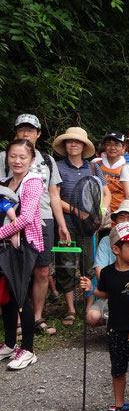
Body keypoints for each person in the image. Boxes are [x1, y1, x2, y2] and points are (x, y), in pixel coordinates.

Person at [0, 114, 70, 337]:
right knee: (15, 270)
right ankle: (19, 318)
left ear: (38, 134)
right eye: (22, 129)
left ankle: (37, 316)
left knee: (41, 270)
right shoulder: (5, 157)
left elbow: (54, 194)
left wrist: (61, 224)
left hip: (44, 219)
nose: (26, 133)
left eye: (31, 129)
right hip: (12, 220)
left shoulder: (47, 160)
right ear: (15, 132)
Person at [80, 222, 129, 411]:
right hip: (115, 328)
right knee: (117, 369)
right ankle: (119, 405)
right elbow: (107, 294)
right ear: (116, 250)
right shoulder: (108, 273)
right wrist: (91, 289)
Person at [54, 127, 110, 326]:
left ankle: (88, 305)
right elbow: (55, 198)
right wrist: (79, 213)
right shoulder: (58, 167)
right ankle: (70, 309)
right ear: (65, 145)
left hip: (90, 228)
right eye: (70, 141)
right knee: (66, 265)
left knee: (88, 265)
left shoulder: (93, 168)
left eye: (78, 142)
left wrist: (100, 214)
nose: (74, 144)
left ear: (84, 146)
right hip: (67, 225)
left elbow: (106, 193)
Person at [0, 139, 44, 369]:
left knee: (19, 296)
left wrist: (0, 233)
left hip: (25, 244)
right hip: (5, 246)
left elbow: (26, 218)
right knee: (6, 296)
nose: (17, 161)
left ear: (32, 160)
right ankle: (9, 344)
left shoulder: (33, 182)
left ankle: (28, 349)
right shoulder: (5, 182)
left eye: (23, 157)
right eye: (13, 156)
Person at [99, 131, 127, 216]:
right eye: (109, 144)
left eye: (116, 145)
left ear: (123, 147)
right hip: (99, 215)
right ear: (104, 146)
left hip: (120, 215)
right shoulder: (95, 166)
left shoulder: (127, 169)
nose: (112, 148)